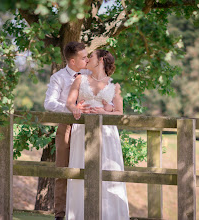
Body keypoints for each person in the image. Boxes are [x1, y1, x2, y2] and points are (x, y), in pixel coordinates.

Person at [44, 42, 113, 220]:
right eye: (83, 57)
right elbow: (49, 103)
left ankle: (88, 211)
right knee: (64, 170)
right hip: (67, 126)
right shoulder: (58, 78)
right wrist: (71, 109)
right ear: (73, 61)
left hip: (90, 127)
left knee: (92, 168)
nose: (87, 59)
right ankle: (61, 215)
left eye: (88, 56)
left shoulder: (90, 72)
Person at [65, 50, 129, 220]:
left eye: (91, 56)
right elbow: (70, 102)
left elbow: (120, 113)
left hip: (106, 134)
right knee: (81, 169)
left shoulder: (114, 87)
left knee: (107, 170)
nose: (87, 59)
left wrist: (103, 113)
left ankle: (109, 215)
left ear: (101, 60)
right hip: (82, 131)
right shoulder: (80, 79)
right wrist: (76, 109)